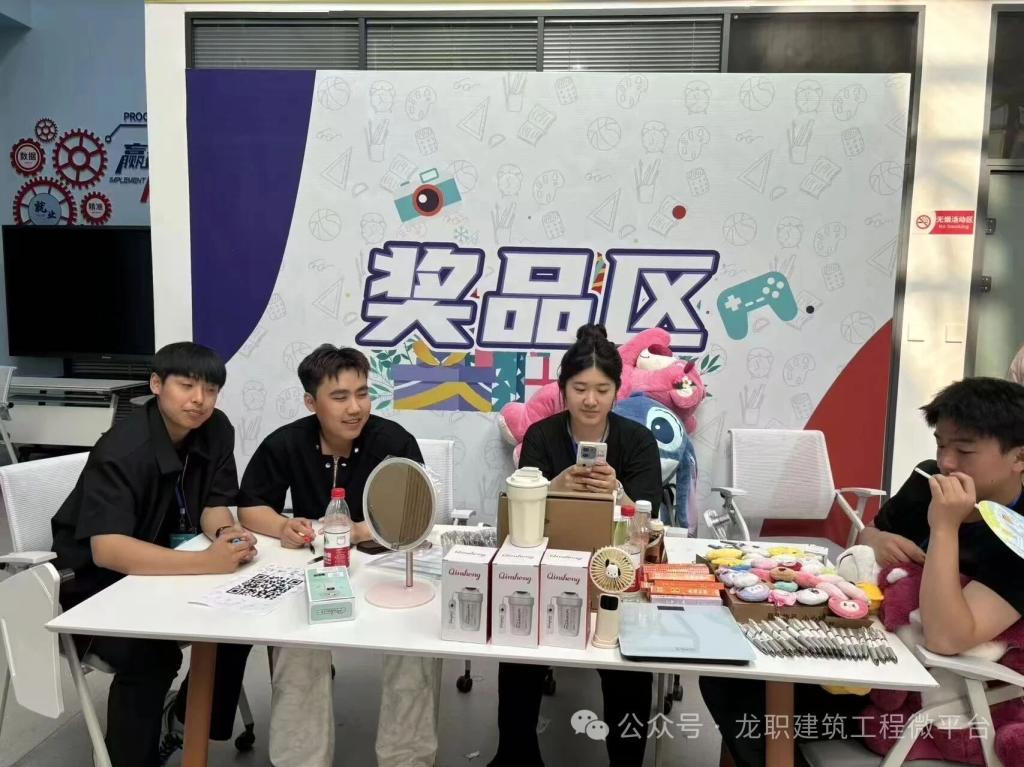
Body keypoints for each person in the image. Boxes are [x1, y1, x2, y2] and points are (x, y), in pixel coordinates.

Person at [700, 376, 1024, 767]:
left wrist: (944, 527)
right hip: (872, 651)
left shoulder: (1016, 532)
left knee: (747, 699)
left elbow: (946, 637)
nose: (947, 462)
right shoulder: (928, 480)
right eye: (941, 444)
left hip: (931, 698)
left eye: (965, 450)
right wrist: (878, 540)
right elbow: (870, 533)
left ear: (1019, 457)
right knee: (730, 674)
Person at [50, 342, 256, 767]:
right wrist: (205, 563)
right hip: (94, 586)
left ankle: (183, 723)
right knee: (151, 654)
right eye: (187, 386)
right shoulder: (122, 449)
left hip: (164, 569)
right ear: (157, 384)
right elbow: (107, 549)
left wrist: (226, 535)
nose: (200, 400)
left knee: (240, 625)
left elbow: (213, 505)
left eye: (211, 390)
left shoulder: (217, 428)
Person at [237, 344, 442, 767]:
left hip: (385, 568)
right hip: (316, 568)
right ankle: (300, 760)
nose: (355, 408)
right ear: (311, 402)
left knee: (415, 643)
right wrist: (281, 526)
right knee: (295, 642)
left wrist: (362, 530)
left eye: (362, 394)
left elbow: (418, 512)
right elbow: (251, 506)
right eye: (340, 397)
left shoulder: (393, 441)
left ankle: (407, 759)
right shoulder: (287, 442)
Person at [489, 324, 663, 767]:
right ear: (562, 389)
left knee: (627, 666)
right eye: (580, 388)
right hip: (548, 562)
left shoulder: (637, 440)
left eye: (602, 390)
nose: (590, 400)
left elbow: (649, 519)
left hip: (616, 570)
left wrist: (617, 491)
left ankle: (626, 762)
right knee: (519, 648)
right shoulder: (543, 436)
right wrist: (554, 488)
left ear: (617, 391)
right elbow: (518, 508)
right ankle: (516, 756)